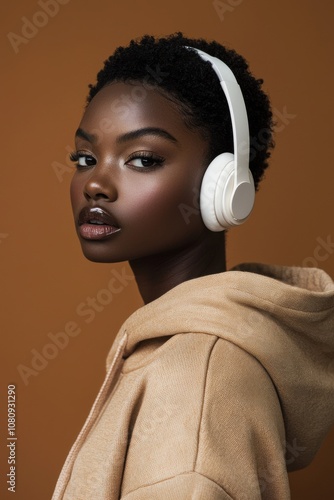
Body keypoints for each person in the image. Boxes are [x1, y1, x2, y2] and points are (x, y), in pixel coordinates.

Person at [52, 33, 334, 499]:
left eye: (142, 159)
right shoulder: (189, 352)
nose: (96, 184)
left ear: (224, 188)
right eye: (85, 157)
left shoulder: (191, 384)